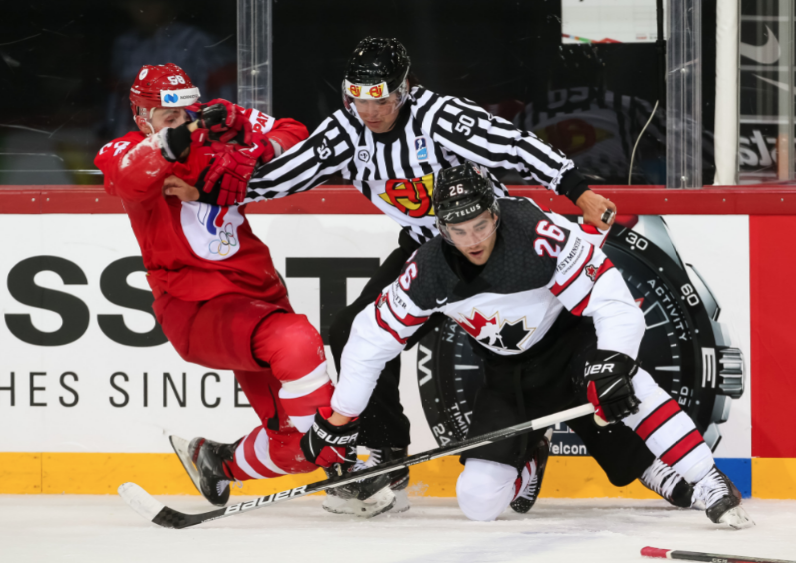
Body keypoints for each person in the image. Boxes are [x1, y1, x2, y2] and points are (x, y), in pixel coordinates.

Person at [193, 36, 618, 516]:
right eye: (358, 99)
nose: (369, 112)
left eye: (381, 100)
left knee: (519, 352)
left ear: (404, 89)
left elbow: (513, 145)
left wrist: (577, 190)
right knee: (354, 330)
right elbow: (282, 176)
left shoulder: (442, 118)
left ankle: (529, 447)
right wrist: (203, 189)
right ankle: (386, 455)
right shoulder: (346, 132)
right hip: (430, 254)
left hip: (494, 247)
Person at [301, 162, 752, 528]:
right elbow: (369, 337)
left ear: (495, 214)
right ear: (440, 228)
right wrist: (341, 418)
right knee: (477, 503)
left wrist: (614, 360)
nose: (473, 240)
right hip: (507, 377)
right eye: (459, 230)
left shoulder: (537, 234)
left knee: (625, 384)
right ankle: (531, 456)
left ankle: (707, 478)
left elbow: (610, 295)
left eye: (481, 225)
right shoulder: (427, 270)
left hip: (570, 348)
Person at [93, 63, 370, 511]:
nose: (184, 121)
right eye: (170, 117)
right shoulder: (124, 148)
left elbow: (295, 134)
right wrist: (185, 138)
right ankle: (344, 463)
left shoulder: (214, 122)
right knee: (297, 341)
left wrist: (251, 138)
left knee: (297, 449)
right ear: (143, 118)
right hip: (197, 308)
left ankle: (216, 461)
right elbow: (127, 176)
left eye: (189, 112)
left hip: (260, 294)